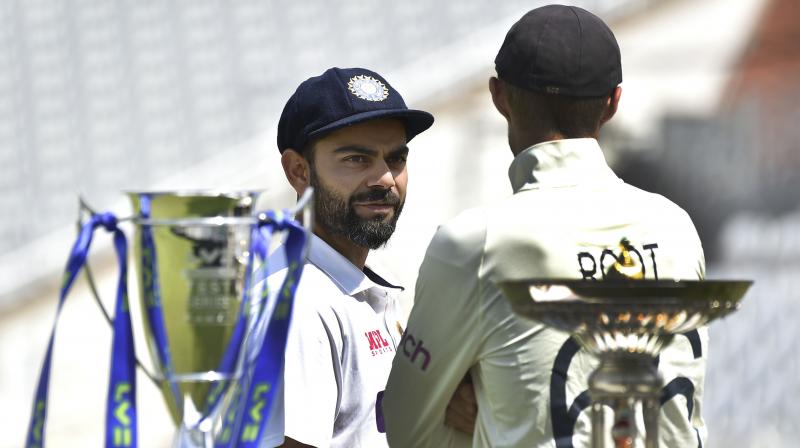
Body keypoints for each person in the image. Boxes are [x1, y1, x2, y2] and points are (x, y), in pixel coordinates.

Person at [383, 5, 708, 448]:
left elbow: (407, 432)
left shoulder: (474, 242)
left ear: (498, 96)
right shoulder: (677, 228)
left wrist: (488, 408)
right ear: (613, 102)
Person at [260, 67, 471, 448]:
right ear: (298, 171)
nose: (385, 178)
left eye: (396, 158)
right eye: (357, 159)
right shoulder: (296, 303)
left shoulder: (355, 283)